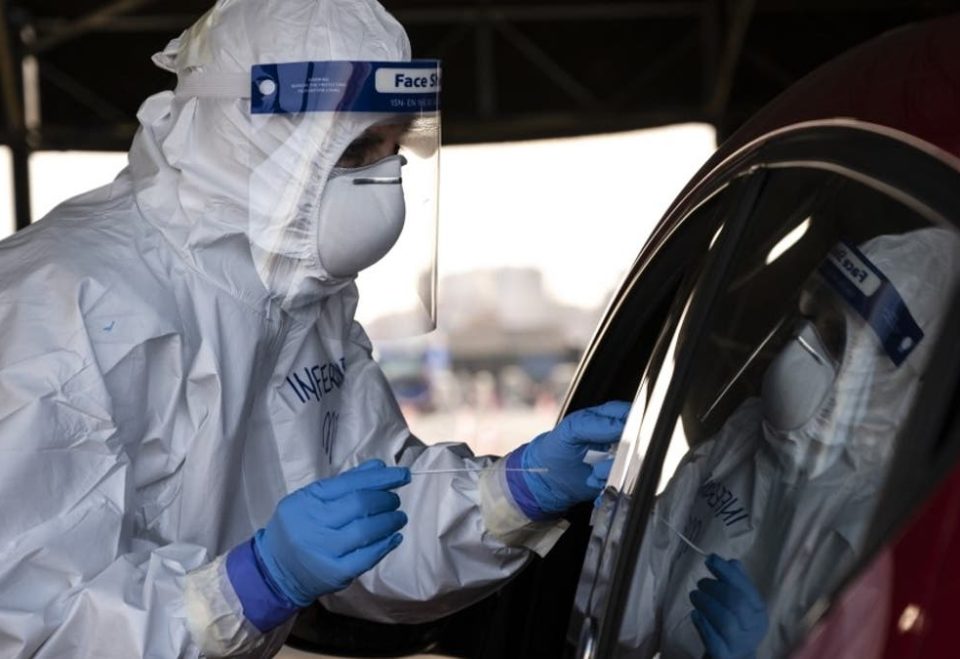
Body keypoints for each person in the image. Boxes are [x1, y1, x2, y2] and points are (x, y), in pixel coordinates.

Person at [0, 0, 629, 656]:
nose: (384, 179)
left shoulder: (299, 300)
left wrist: (509, 495)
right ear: (247, 136)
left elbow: (368, 517)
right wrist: (248, 587)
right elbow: (28, 624)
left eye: (394, 146)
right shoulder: (60, 305)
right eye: (357, 148)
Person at [613, 227, 960, 658]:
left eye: (835, 339)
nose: (801, 346)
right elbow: (628, 610)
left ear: (895, 383)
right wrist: (599, 517)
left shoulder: (888, 525)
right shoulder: (745, 435)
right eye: (812, 319)